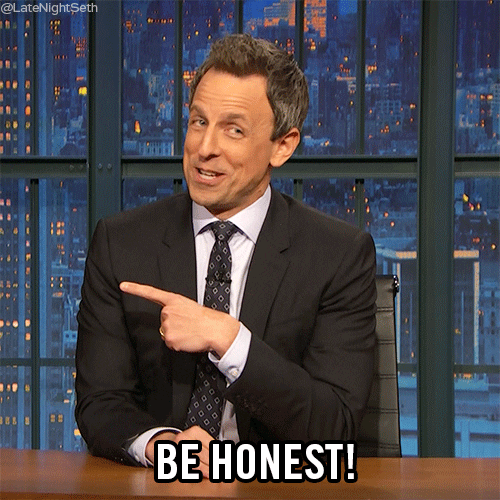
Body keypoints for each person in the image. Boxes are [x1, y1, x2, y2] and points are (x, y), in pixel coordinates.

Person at [75, 34, 377, 474]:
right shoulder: (120, 243)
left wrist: (230, 340)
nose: (204, 148)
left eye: (233, 130)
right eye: (199, 121)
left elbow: (334, 425)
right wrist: (168, 449)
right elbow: (100, 402)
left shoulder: (338, 256)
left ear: (282, 145)